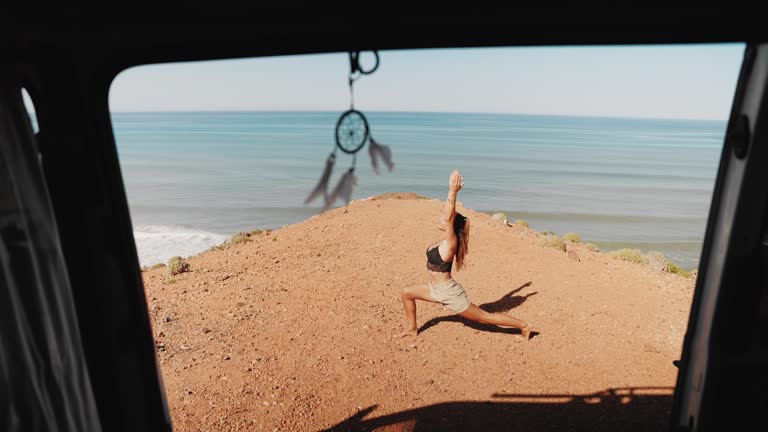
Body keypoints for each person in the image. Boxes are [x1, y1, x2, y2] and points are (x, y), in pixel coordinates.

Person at [396, 170, 532, 340]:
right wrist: (523, 289)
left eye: (446, 220)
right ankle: (412, 328)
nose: (442, 219)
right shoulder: (442, 242)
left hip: (448, 292)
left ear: (452, 225)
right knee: (406, 293)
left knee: (485, 317)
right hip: (434, 289)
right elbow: (448, 218)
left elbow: (448, 217)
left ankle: (524, 326)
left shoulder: (451, 244)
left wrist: (452, 191)